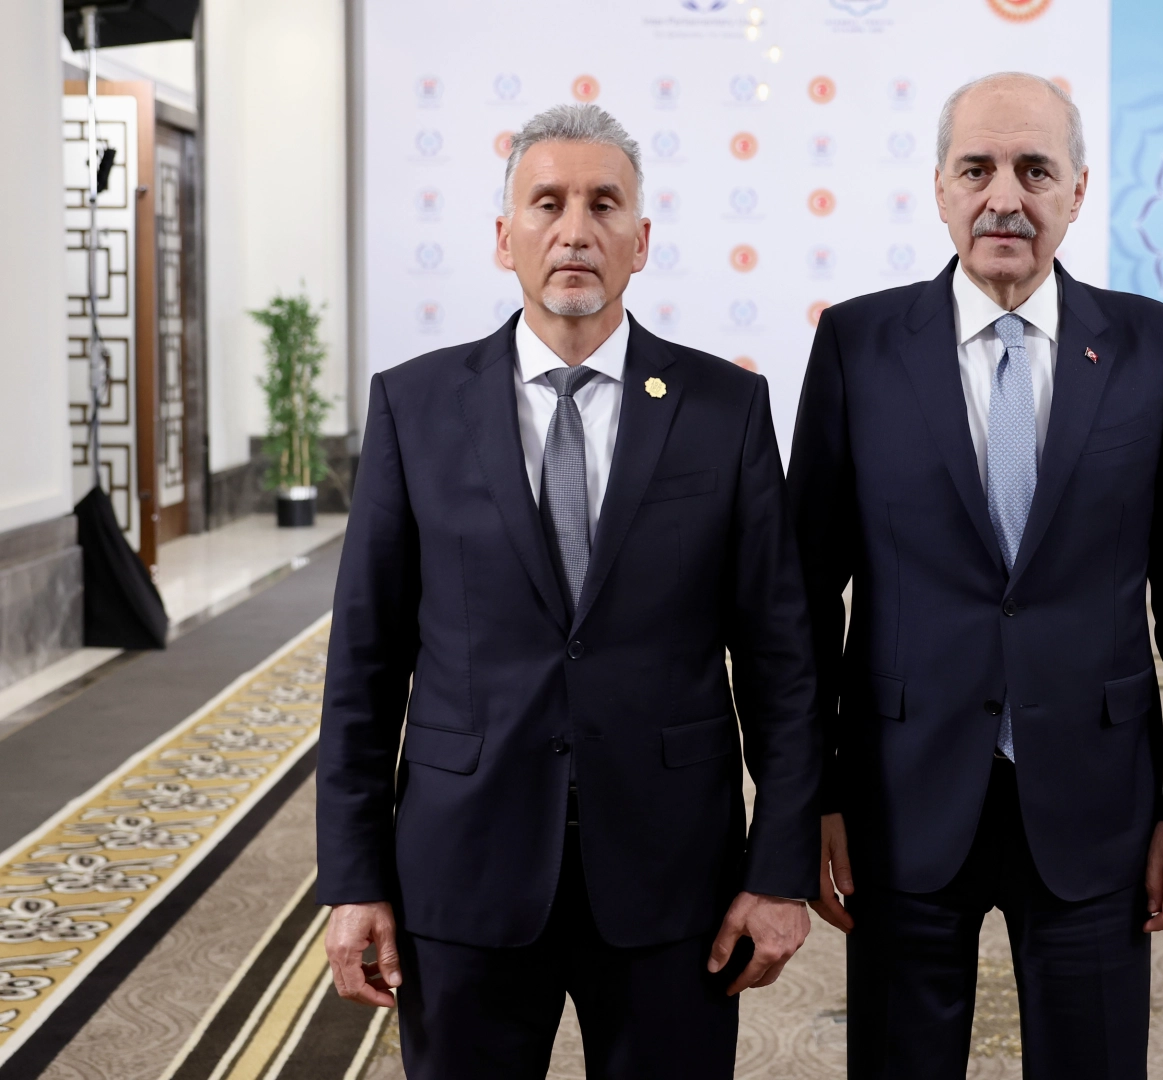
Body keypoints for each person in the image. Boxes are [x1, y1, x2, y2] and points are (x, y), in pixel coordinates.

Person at [317, 104, 821, 1079]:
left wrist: (778, 873)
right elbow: (363, 671)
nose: (575, 229)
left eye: (604, 204)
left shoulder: (724, 409)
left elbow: (782, 666)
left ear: (642, 238)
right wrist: (352, 878)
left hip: (674, 881)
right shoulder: (414, 407)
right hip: (462, 871)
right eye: (547, 203)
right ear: (504, 236)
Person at [788, 72, 1163, 1079]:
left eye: (1034, 170)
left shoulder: (1151, 346)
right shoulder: (857, 345)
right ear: (939, 189)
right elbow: (805, 600)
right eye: (976, 169)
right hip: (899, 800)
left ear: (1077, 191)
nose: (1004, 197)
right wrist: (810, 799)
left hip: (1098, 803)